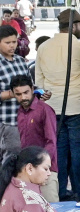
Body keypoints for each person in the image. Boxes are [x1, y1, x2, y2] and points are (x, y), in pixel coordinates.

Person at [35, 10, 80, 202]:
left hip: (53, 107)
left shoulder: (44, 47)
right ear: (74, 26)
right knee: (79, 150)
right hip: (77, 106)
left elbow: (38, 81)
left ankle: (60, 192)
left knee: (59, 150)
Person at [11, 75, 58, 203]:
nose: (23, 97)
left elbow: (51, 142)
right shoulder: (20, 112)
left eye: (26, 92)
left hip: (46, 171)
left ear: (32, 89)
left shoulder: (45, 110)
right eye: (18, 94)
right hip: (29, 172)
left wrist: (42, 168)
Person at [0, 27, 29, 167]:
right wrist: (13, 94)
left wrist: (37, 93)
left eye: (14, 42)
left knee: (23, 159)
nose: (12, 45)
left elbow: (29, 85)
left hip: (25, 119)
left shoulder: (20, 61)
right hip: (7, 121)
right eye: (7, 42)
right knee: (11, 160)